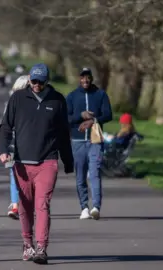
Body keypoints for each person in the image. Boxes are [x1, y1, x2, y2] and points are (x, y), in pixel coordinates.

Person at [0, 63, 74, 265]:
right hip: (22, 163)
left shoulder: (57, 100)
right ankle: (27, 243)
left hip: (47, 161)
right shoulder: (18, 99)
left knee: (42, 205)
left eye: (41, 81)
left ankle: (41, 247)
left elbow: (63, 134)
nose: (37, 84)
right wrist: (3, 150)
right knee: (24, 207)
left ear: (47, 80)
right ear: (29, 79)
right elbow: (5, 127)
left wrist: (68, 160)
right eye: (34, 81)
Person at [66, 67, 112, 220]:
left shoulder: (100, 95)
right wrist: (81, 116)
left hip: (95, 140)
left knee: (95, 173)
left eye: (88, 77)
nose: (85, 80)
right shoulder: (72, 96)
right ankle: (84, 207)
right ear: (79, 79)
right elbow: (66, 118)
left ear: (92, 78)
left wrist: (93, 120)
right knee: (80, 176)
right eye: (82, 77)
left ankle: (96, 207)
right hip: (78, 141)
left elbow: (108, 114)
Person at [4, 75, 29, 220]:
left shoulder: (11, 102)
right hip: (20, 143)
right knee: (20, 174)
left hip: (15, 143)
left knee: (15, 175)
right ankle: (17, 204)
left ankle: (15, 204)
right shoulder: (29, 102)